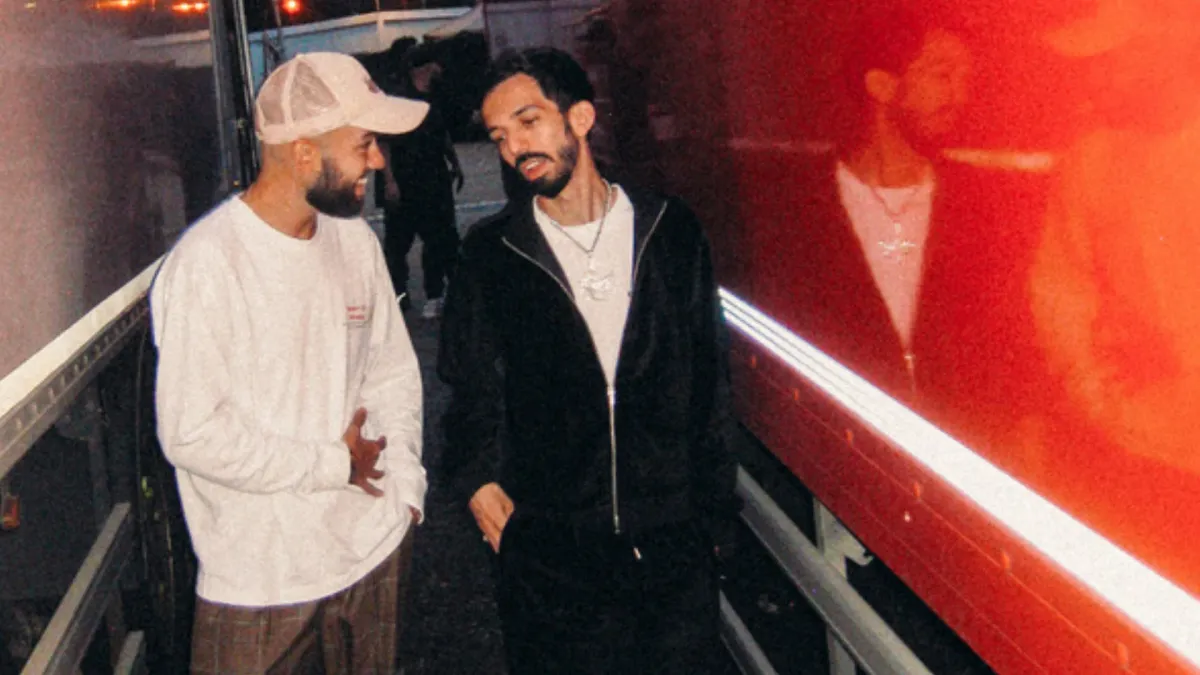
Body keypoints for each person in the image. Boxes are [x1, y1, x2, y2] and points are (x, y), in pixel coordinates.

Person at [437, 48, 739, 674]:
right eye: (499, 136)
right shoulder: (491, 255)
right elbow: (469, 387)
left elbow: (709, 382)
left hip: (670, 549)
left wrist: (713, 519)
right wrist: (478, 483)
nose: (515, 148)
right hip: (552, 559)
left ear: (579, 117)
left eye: (528, 122)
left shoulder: (670, 230)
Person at [150, 52, 428, 675]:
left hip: (372, 553)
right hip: (261, 585)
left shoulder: (354, 240)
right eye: (363, 144)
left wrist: (405, 486)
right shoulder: (207, 265)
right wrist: (333, 464)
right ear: (304, 153)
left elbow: (391, 369)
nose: (378, 161)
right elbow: (191, 432)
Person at [776, 9, 1049, 464]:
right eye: (943, 74)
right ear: (882, 85)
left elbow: (1017, 352)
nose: (960, 94)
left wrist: (1028, 462)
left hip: (970, 463)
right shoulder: (804, 214)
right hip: (856, 464)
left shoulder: (982, 207)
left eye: (966, 78)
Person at [378, 51, 465, 319]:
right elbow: (384, 142)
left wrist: (455, 162)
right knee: (398, 243)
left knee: (440, 237)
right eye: (436, 64)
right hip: (405, 179)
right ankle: (399, 295)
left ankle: (435, 293)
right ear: (425, 67)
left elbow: (442, 133)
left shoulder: (436, 96)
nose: (440, 68)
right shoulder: (399, 97)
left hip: (434, 177)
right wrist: (389, 180)